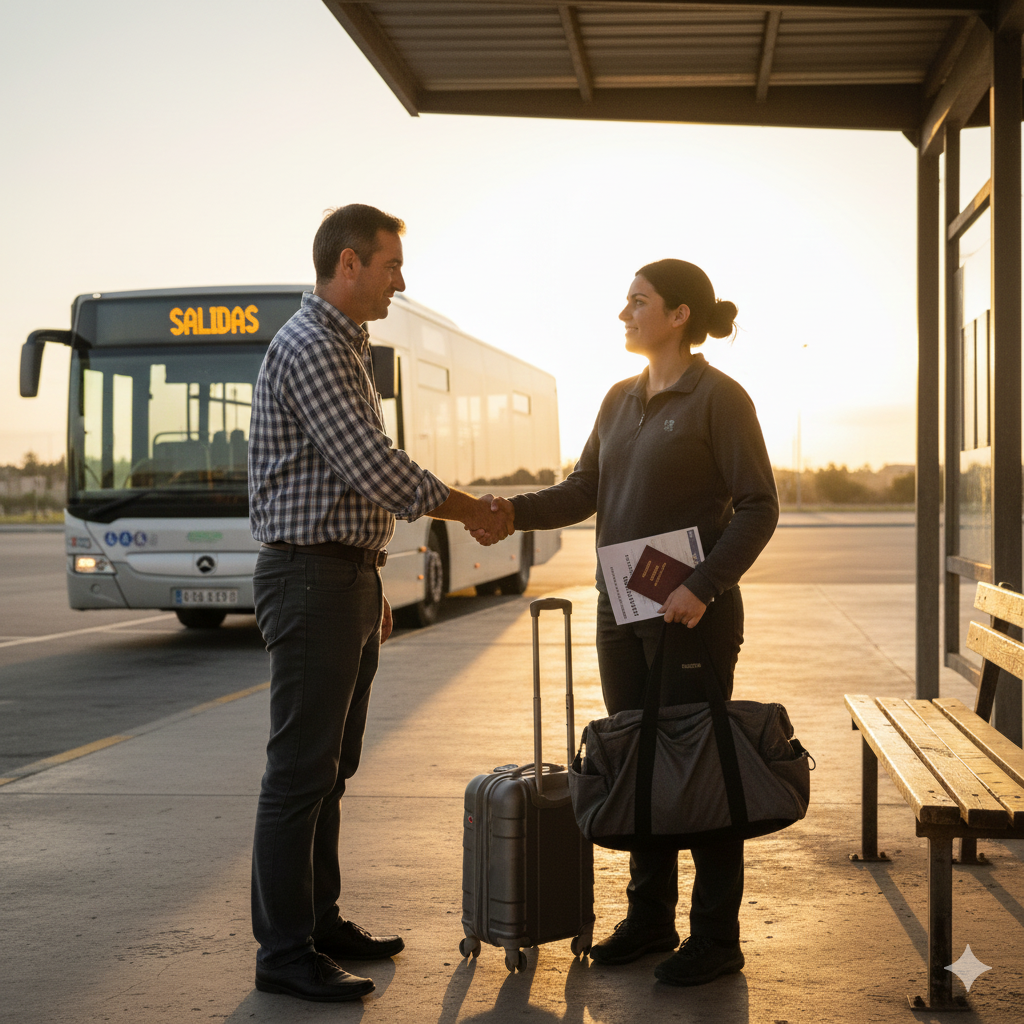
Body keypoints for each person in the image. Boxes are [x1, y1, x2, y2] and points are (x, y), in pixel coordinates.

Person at [477, 258, 779, 986]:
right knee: (642, 763)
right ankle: (649, 919)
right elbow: (584, 489)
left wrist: (703, 587)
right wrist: (509, 511)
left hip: (689, 617)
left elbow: (758, 506)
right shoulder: (617, 399)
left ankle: (715, 936)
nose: (623, 313)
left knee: (698, 766)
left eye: (637, 302)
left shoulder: (719, 398)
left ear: (678, 315)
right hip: (622, 608)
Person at [247, 203, 508, 1003]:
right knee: (300, 774)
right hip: (311, 581)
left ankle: (319, 922)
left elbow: (351, 484)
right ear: (349, 264)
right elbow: (377, 467)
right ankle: (284, 952)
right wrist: (471, 507)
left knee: (332, 770)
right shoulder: (314, 346)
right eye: (392, 264)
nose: (403, 279)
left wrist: (373, 581)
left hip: (343, 579)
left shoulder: (346, 346)